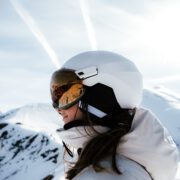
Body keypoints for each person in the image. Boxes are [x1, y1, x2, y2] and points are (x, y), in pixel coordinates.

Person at [50, 51, 178, 180]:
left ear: (100, 96)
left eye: (67, 96)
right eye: (56, 96)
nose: (58, 109)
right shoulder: (126, 168)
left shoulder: (102, 174)